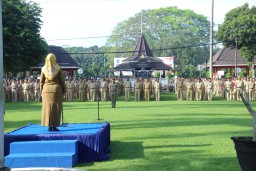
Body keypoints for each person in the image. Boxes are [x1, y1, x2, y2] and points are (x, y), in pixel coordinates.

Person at [40, 53, 66, 132]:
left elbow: (41, 82)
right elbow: (62, 81)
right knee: (56, 108)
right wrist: (64, 90)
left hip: (46, 90)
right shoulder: (58, 68)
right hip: (56, 90)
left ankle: (48, 125)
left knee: (47, 108)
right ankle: (54, 126)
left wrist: (41, 91)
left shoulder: (43, 69)